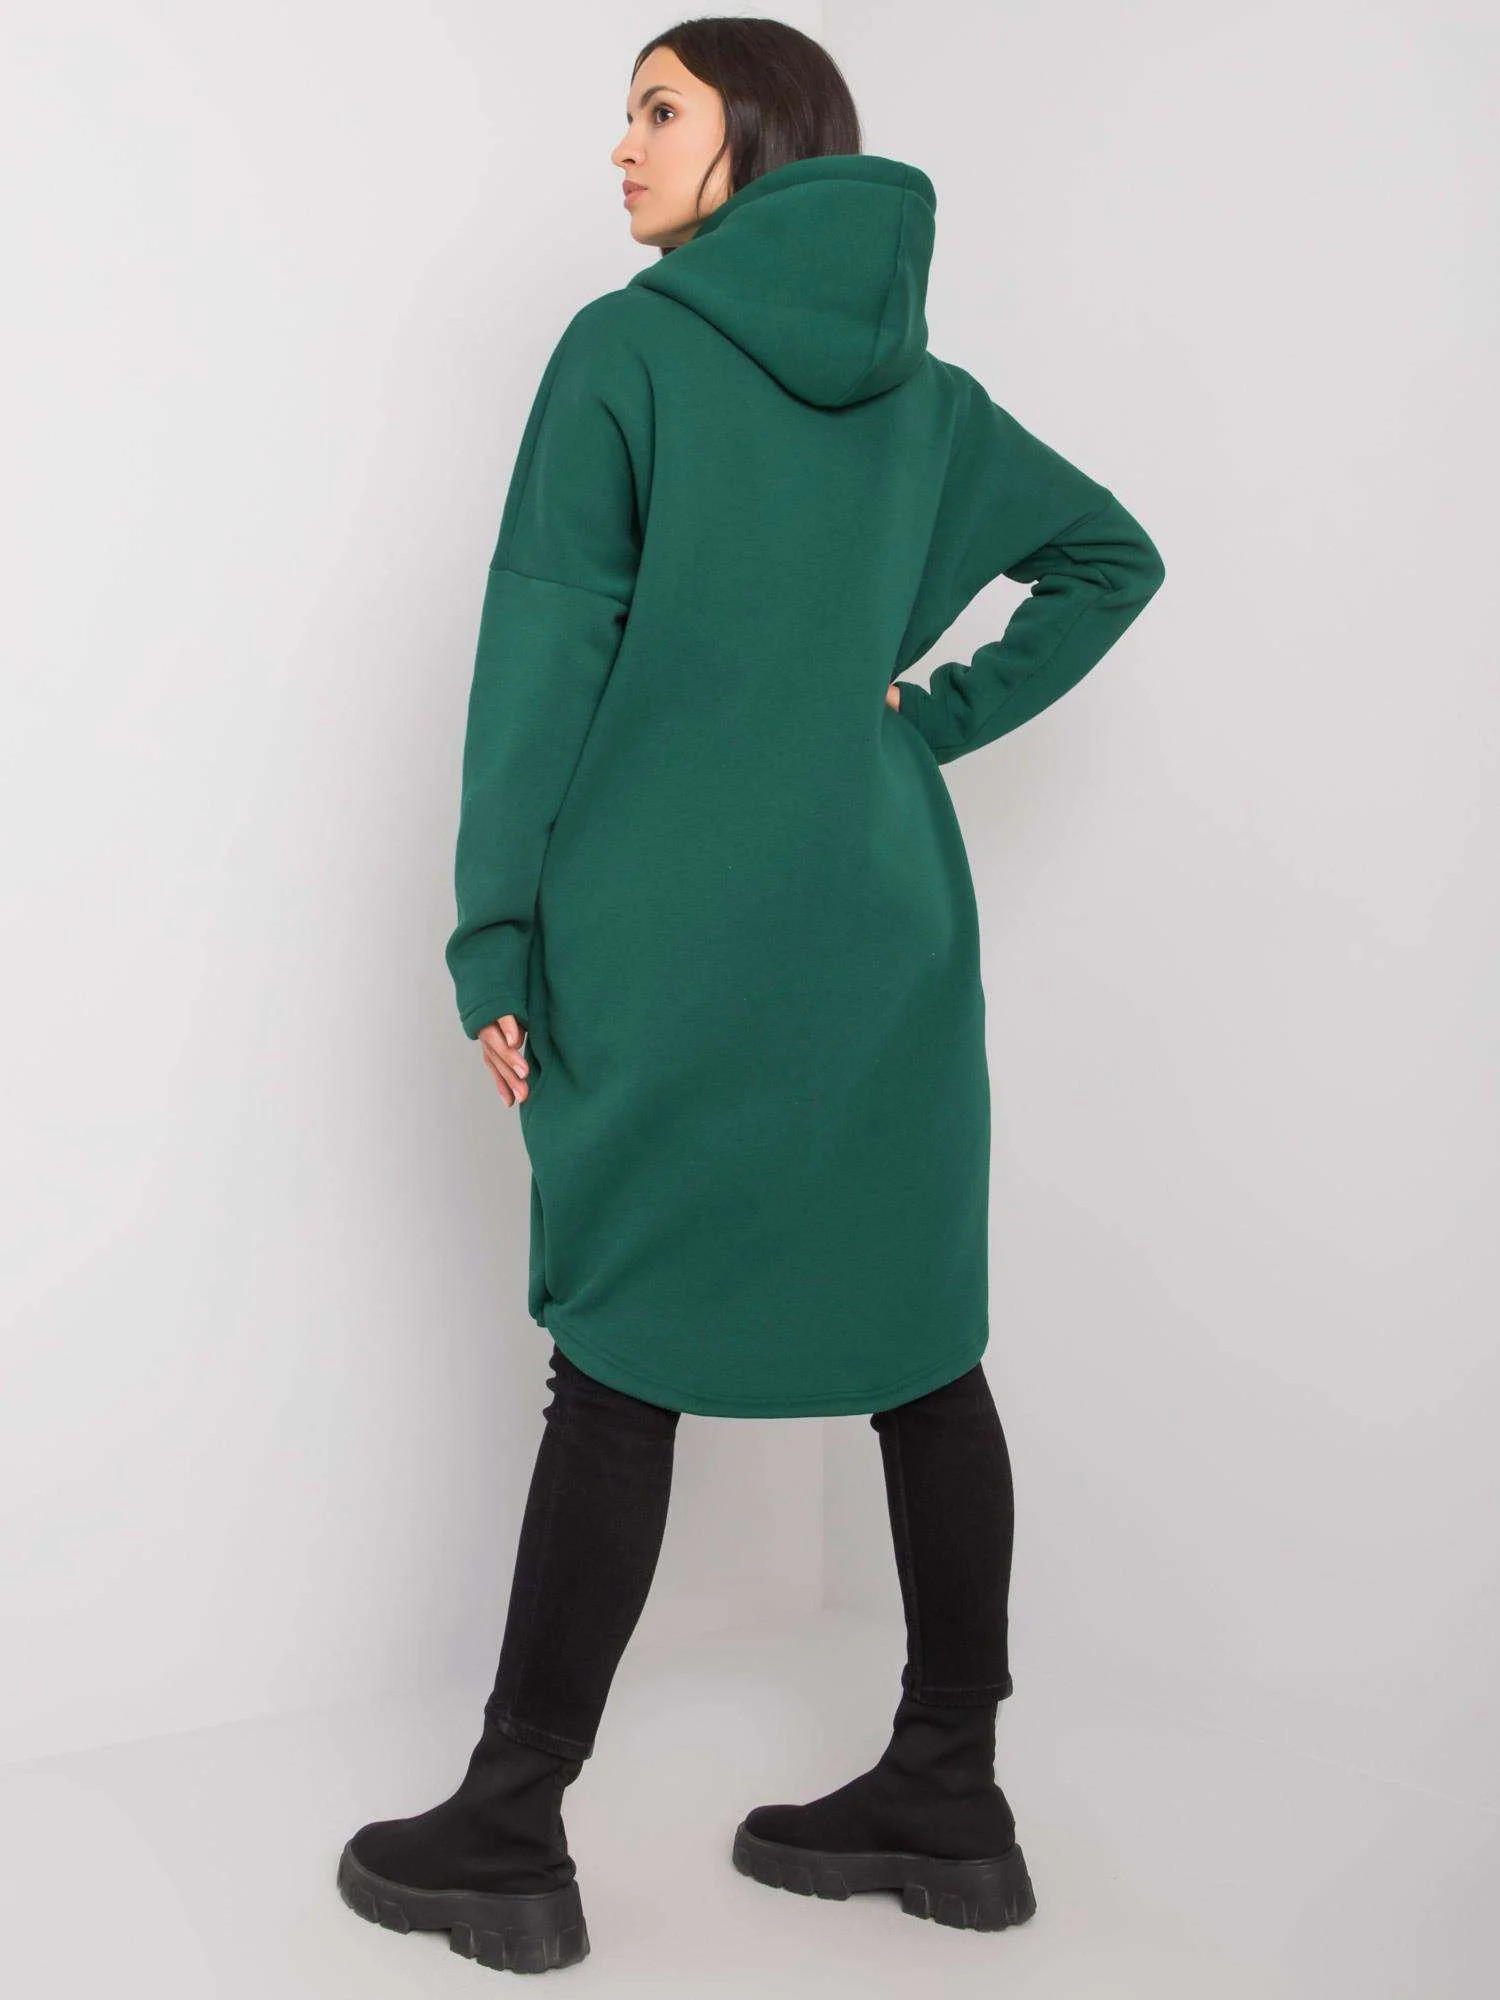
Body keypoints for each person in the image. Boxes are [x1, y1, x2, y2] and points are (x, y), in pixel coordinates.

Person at [338, 15, 1165, 1976]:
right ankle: (952, 1794)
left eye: (659, 108)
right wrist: (912, 727)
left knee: (619, 1352)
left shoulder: (625, 351)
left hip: (668, 927)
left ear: (757, 137)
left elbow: (540, 661)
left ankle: (510, 1826)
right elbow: (1107, 558)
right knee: (924, 1350)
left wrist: (491, 935)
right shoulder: (929, 398)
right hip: (888, 929)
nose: (620, 146)